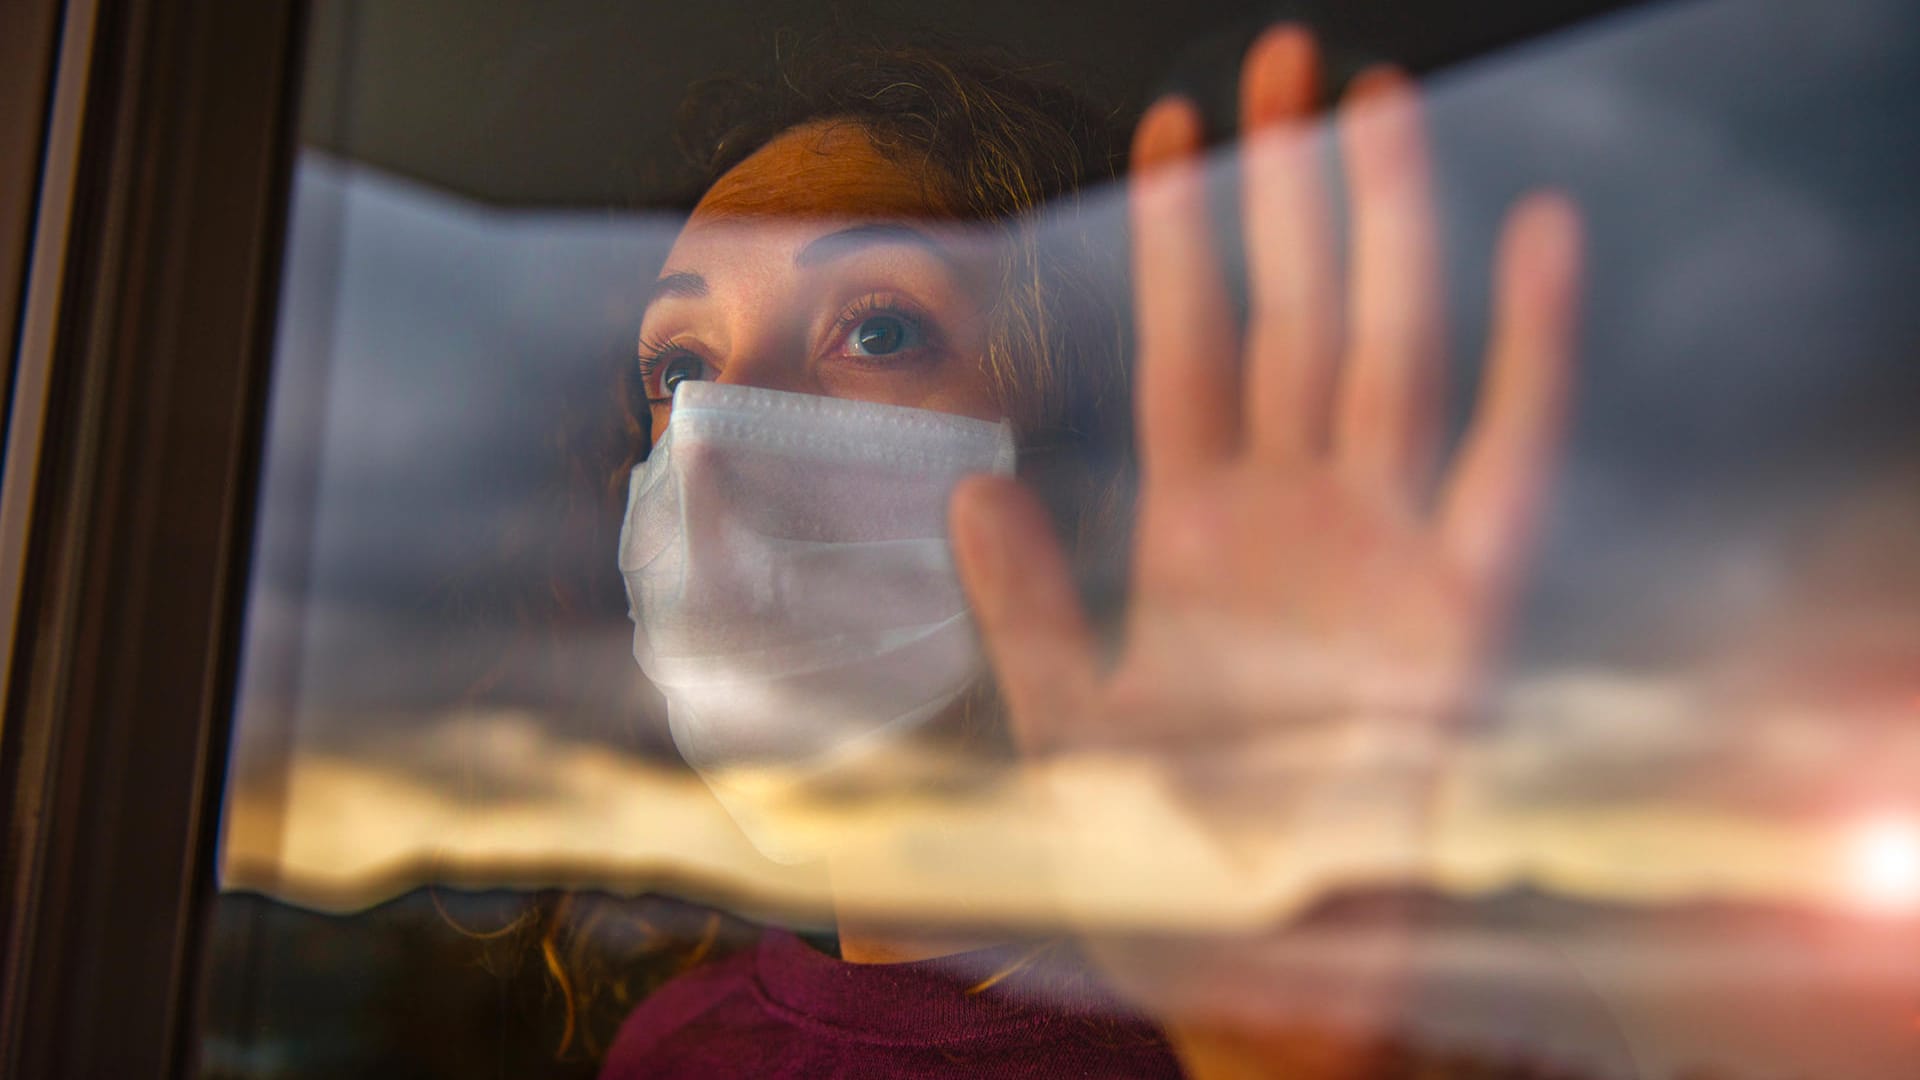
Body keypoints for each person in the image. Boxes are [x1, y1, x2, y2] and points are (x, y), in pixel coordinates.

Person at [599, 21, 1583, 1079]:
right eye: (681, 369)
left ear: (1093, 479)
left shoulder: (1249, 1030)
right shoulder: (674, 1050)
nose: (713, 442)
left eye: (878, 330)